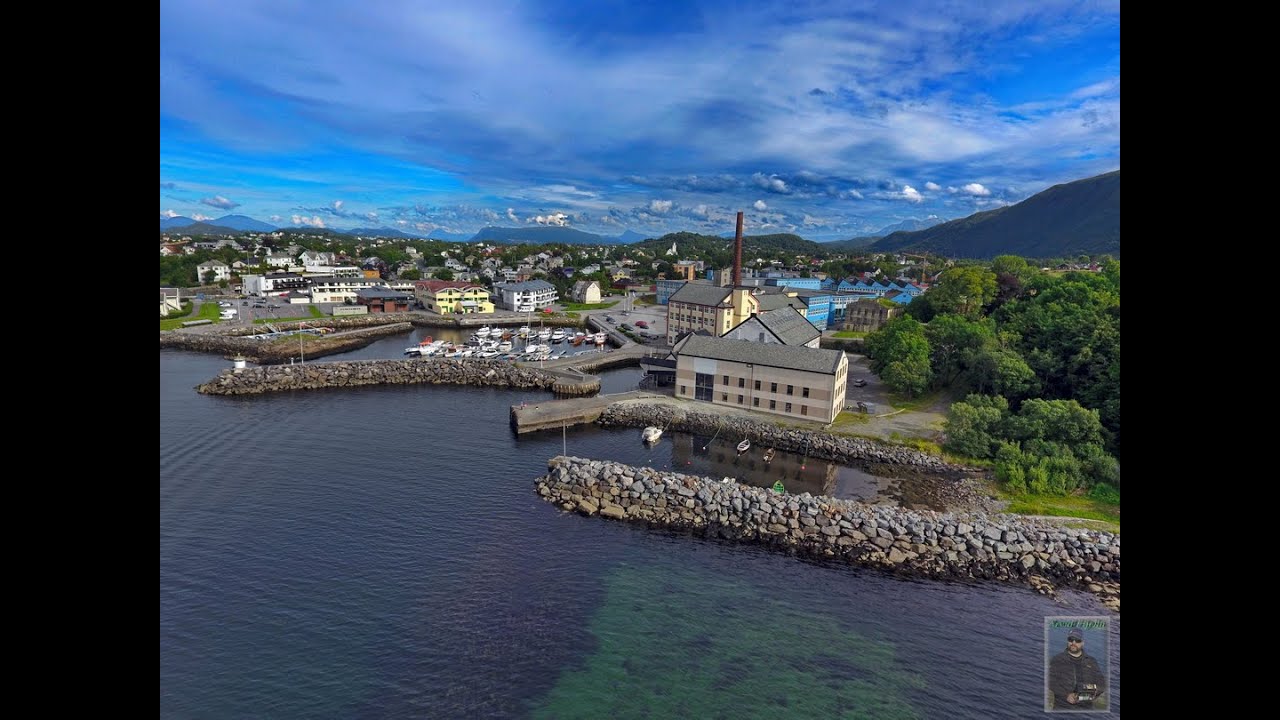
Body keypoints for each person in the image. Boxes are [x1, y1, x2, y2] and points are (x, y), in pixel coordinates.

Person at [1048, 627, 1106, 710]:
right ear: (1067, 641)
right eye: (1071, 639)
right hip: (1063, 707)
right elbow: (1050, 681)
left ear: (1083, 643)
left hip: (1086, 710)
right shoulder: (1057, 659)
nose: (1073, 643)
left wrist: (1084, 696)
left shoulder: (1092, 661)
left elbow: (1102, 684)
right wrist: (1066, 695)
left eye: (1077, 640)